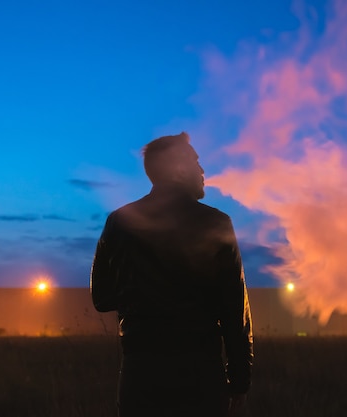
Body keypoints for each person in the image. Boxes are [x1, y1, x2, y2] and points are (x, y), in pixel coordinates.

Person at [90, 132, 253, 417]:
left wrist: (143, 295)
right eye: (195, 162)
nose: (202, 171)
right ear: (177, 169)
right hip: (200, 378)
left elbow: (101, 298)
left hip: (140, 376)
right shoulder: (216, 223)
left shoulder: (119, 222)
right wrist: (239, 380)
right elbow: (234, 312)